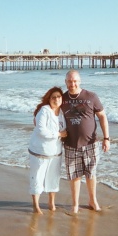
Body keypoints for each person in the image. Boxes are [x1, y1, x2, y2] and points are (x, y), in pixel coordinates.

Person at [61, 69, 110, 213]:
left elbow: (102, 117)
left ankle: (92, 200)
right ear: (65, 82)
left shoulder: (91, 96)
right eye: (69, 81)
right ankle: (75, 204)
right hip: (70, 144)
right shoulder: (62, 99)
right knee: (74, 175)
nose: (72, 84)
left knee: (91, 174)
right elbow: (49, 112)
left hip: (90, 143)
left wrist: (106, 138)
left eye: (75, 81)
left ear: (80, 81)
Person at [29, 86, 68, 214]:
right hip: (40, 152)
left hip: (56, 152)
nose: (56, 99)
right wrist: (58, 134)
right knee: (37, 177)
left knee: (53, 178)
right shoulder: (44, 110)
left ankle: (51, 202)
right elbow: (41, 131)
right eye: (53, 97)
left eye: (58, 97)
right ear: (49, 99)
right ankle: (36, 205)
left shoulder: (62, 112)